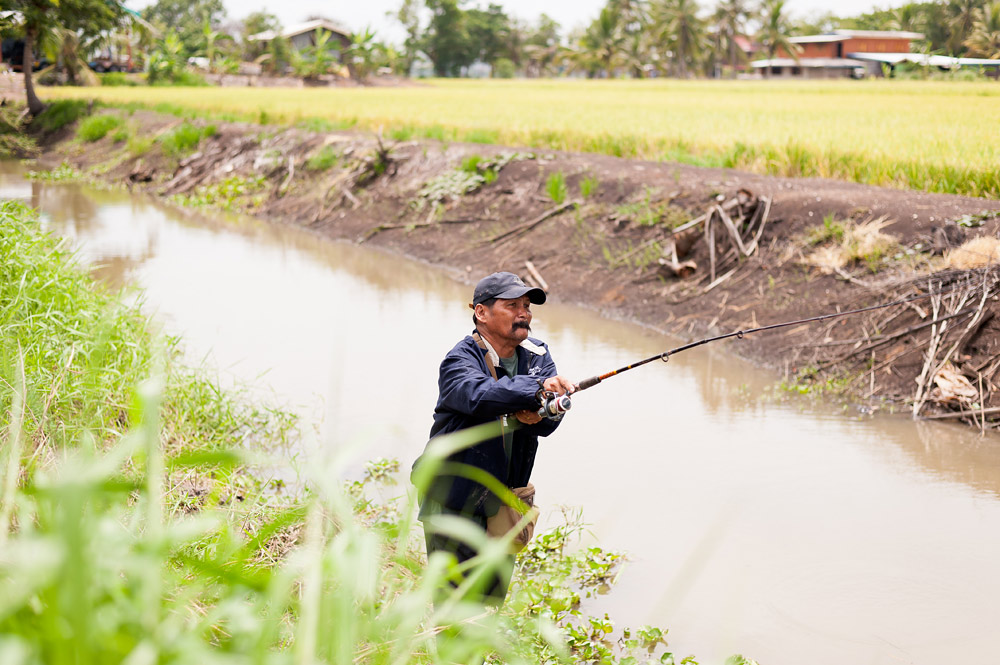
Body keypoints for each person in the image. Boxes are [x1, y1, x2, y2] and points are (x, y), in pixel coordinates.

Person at [414, 271, 575, 604]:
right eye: (512, 305)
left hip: (504, 500)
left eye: (527, 306)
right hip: (453, 497)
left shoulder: (537, 355)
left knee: (489, 605)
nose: (524, 314)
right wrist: (535, 391)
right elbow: (478, 396)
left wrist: (548, 409)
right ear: (481, 312)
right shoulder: (460, 360)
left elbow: (544, 425)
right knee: (453, 605)